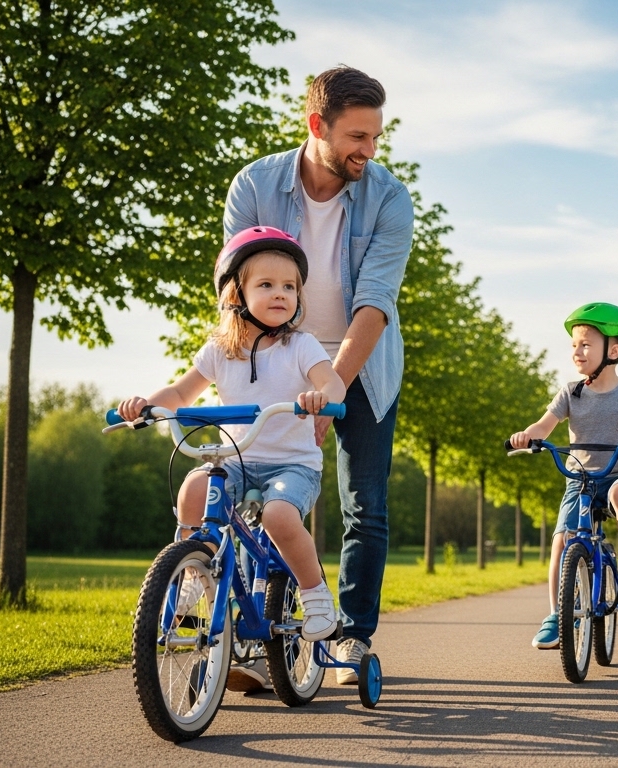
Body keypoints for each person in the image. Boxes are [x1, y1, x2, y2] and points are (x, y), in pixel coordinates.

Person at [224, 66, 414, 684]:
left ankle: (351, 639)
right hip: (274, 355)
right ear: (317, 126)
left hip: (362, 362)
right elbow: (236, 290)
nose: (369, 150)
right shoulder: (255, 184)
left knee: (365, 505)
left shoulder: (388, 197)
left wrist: (331, 383)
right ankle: (257, 638)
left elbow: (376, 302)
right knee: (254, 493)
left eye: (376, 137)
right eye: (357, 136)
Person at [117, 228, 345, 650]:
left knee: (278, 516)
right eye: (266, 285)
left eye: (290, 287)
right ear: (235, 296)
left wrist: (321, 397)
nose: (281, 294)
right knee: (194, 487)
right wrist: (146, 404)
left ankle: (315, 595)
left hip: (292, 464)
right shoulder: (220, 351)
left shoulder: (302, 345)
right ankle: (189, 572)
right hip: (236, 457)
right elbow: (181, 394)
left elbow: (332, 383)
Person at [508, 303, 618, 650]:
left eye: (585, 344)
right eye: (573, 345)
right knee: (562, 541)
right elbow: (545, 424)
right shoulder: (571, 392)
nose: (576, 351)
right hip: (579, 478)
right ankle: (555, 615)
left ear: (613, 351)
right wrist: (528, 434)